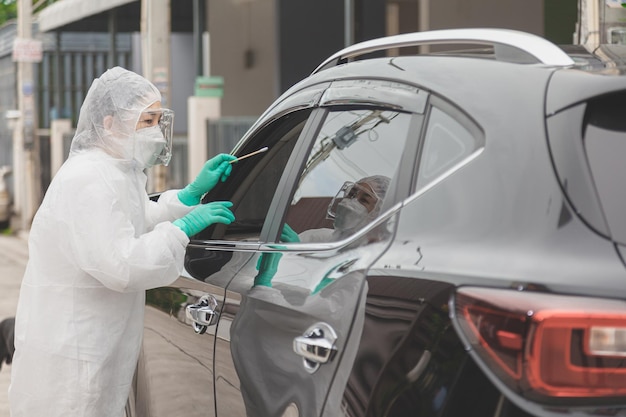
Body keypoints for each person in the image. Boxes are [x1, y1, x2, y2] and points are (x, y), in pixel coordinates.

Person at [9, 66, 237, 417]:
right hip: (73, 360)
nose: (156, 132)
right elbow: (122, 266)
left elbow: (137, 217)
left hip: (95, 350)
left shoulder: (114, 171)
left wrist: (189, 196)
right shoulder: (88, 178)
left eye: (158, 120)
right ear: (111, 123)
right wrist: (182, 228)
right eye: (147, 121)